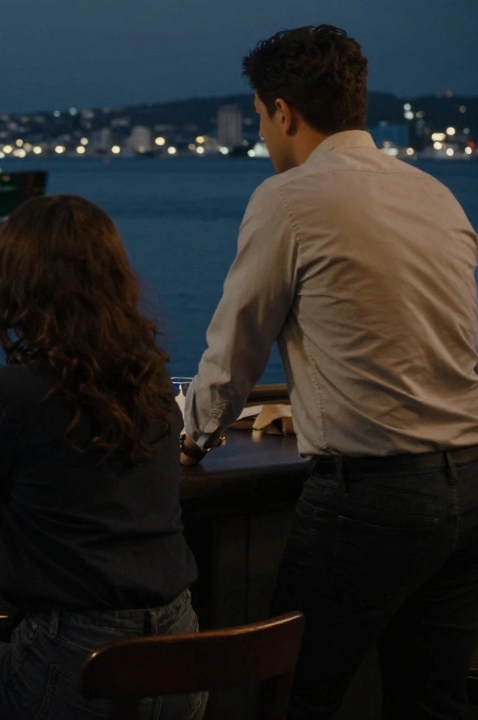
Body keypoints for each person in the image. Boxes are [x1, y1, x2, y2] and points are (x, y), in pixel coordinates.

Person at [181, 25, 478, 720]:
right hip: (468, 481)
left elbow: (232, 357)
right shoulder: (436, 195)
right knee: (434, 702)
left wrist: (192, 436)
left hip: (373, 498)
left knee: (291, 697)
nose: (262, 135)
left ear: (282, 111)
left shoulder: (289, 199)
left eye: (259, 117)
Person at [0, 195, 204, 720]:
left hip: (78, 671)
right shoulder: (152, 386)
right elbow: (70, 468)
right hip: (182, 663)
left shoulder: (6, 395)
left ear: (16, 289)